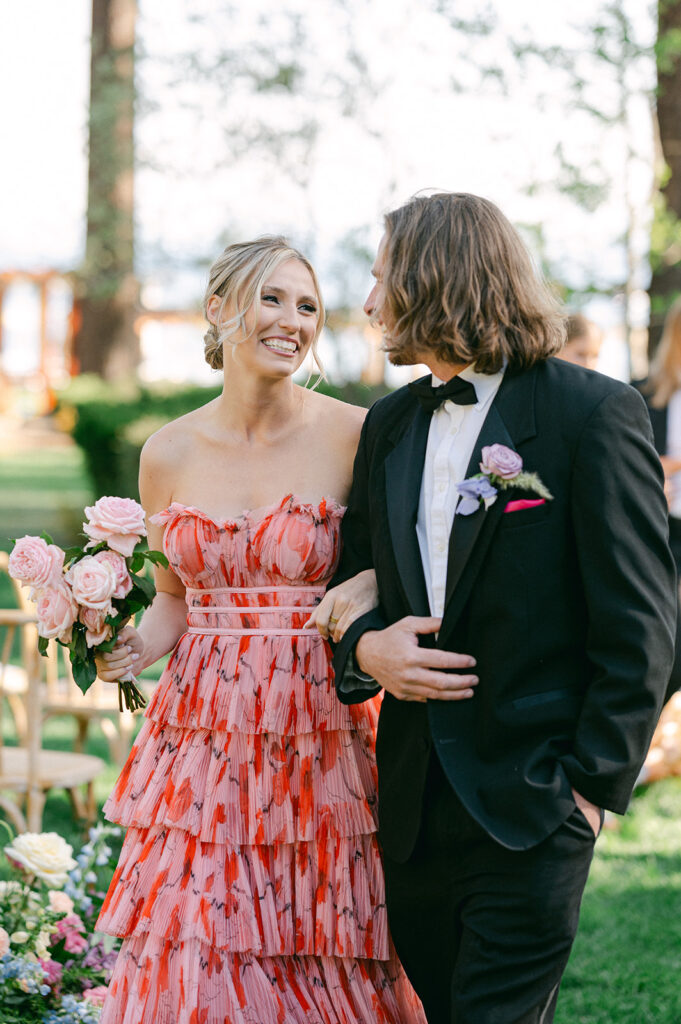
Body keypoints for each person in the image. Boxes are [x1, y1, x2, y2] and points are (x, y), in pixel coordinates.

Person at [327, 192, 676, 1024]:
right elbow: (356, 580)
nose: (371, 303)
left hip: (535, 798)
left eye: (381, 280)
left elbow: (647, 624)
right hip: (412, 801)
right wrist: (367, 651)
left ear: (431, 277)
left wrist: (585, 794)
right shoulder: (387, 426)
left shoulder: (590, 412)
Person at [94, 236, 427, 1024]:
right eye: (271, 299)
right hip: (202, 732)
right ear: (219, 311)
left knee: (324, 928)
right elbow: (175, 600)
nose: (292, 320)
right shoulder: (165, 450)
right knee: (206, 929)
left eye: (307, 305)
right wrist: (130, 646)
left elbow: (407, 559)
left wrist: (373, 582)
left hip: (322, 721)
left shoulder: (360, 432)